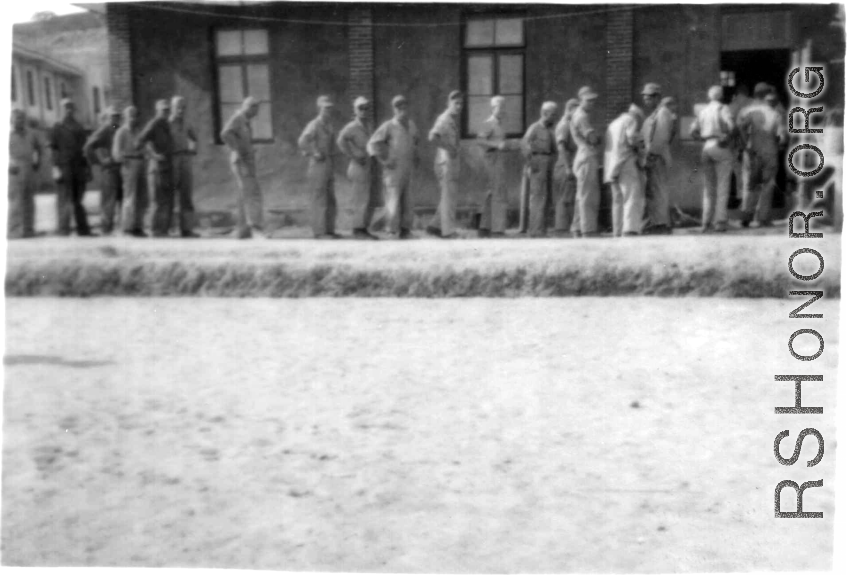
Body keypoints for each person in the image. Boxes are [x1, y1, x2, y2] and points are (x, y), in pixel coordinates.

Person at [367, 95, 419, 239]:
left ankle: (405, 230)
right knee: (393, 200)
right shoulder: (389, 126)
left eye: (404, 107)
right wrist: (383, 161)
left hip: (408, 168)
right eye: (398, 108)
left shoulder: (412, 125)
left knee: (408, 200)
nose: (402, 110)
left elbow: (415, 142)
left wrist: (416, 156)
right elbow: (372, 143)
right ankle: (391, 230)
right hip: (393, 169)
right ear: (394, 109)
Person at [737, 82, 786, 228]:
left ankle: (746, 216)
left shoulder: (745, 111)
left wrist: (746, 144)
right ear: (767, 95)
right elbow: (782, 136)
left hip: (751, 151)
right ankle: (762, 218)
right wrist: (780, 144)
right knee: (767, 184)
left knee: (749, 184)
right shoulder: (775, 113)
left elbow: (739, 127)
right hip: (769, 150)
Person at [690, 85, 735, 233]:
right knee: (723, 184)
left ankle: (706, 221)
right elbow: (732, 126)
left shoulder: (703, 111)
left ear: (709, 97)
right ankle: (720, 221)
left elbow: (693, 131)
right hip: (720, 145)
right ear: (721, 96)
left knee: (708, 188)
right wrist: (726, 137)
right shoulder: (723, 108)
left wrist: (703, 138)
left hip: (706, 146)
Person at [221, 96, 266, 239]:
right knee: (252, 193)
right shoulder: (238, 118)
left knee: (243, 194)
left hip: (245, 161)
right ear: (248, 107)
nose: (257, 113)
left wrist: (248, 149)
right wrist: (237, 150)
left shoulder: (244, 121)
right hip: (242, 162)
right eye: (255, 109)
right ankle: (255, 228)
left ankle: (242, 230)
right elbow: (225, 133)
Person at [337, 96, 380, 240]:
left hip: (368, 165)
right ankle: (358, 229)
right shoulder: (352, 127)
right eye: (360, 108)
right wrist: (353, 155)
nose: (363, 111)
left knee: (367, 198)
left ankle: (363, 228)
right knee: (360, 199)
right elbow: (341, 141)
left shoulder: (368, 126)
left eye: (366, 108)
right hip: (358, 166)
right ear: (355, 110)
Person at [49, 98, 92, 236]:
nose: (68, 110)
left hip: (78, 167)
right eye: (66, 107)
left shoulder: (79, 127)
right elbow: (53, 149)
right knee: (63, 198)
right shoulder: (57, 127)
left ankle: (83, 229)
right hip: (64, 166)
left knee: (78, 199)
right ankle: (63, 229)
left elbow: (84, 150)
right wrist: (55, 167)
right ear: (61, 109)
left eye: (71, 107)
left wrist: (87, 168)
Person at [299, 95, 340, 239]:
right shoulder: (314, 124)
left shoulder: (329, 125)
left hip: (328, 164)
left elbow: (333, 145)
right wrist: (313, 152)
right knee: (319, 198)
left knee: (330, 199)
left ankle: (329, 230)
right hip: (317, 165)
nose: (328, 110)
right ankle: (319, 232)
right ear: (319, 108)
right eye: (325, 108)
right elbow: (302, 141)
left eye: (329, 108)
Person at [476, 95, 517, 238]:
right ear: (493, 108)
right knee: (499, 194)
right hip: (491, 161)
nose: (503, 110)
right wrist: (497, 145)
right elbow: (480, 141)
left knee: (493, 194)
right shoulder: (488, 123)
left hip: (498, 160)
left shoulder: (499, 125)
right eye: (500, 107)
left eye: (504, 107)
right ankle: (498, 230)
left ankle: (484, 227)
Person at [426, 90, 463, 239]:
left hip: (450, 161)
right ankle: (448, 231)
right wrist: (449, 148)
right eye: (456, 103)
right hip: (445, 162)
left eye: (461, 103)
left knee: (448, 195)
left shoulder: (452, 119)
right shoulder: (445, 119)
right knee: (449, 196)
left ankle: (434, 226)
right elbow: (432, 137)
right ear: (449, 103)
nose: (459, 106)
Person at [604, 104, 645, 237]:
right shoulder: (631, 120)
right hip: (626, 162)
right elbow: (632, 138)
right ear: (637, 116)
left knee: (617, 200)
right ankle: (630, 229)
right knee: (631, 195)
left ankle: (617, 230)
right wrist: (641, 149)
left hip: (611, 165)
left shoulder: (613, 124)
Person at [137, 99, 175, 237]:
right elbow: (140, 141)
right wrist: (153, 155)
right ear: (157, 111)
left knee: (166, 199)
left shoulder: (166, 125)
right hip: (156, 168)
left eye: (167, 110)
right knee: (157, 200)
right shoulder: (154, 124)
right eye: (163, 110)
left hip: (167, 167)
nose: (166, 112)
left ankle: (163, 230)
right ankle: (154, 230)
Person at [641, 82, 675, 234]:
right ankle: (657, 222)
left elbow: (660, 138)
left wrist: (651, 154)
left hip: (657, 157)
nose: (646, 100)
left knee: (659, 190)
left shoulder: (663, 113)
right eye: (645, 97)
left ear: (657, 97)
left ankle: (662, 224)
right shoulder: (655, 113)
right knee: (653, 192)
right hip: (652, 157)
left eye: (649, 97)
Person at [520, 101, 558, 238]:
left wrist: (552, 161)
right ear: (544, 113)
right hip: (537, 163)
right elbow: (524, 145)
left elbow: (554, 149)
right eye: (552, 115)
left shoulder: (550, 130)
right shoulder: (535, 128)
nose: (554, 118)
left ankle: (542, 230)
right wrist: (531, 163)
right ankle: (534, 230)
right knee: (537, 198)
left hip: (548, 164)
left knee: (547, 197)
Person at [83, 106, 123, 235]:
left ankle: (122, 228)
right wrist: (99, 162)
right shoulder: (105, 130)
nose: (115, 119)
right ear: (108, 117)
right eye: (113, 116)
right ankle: (106, 228)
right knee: (108, 200)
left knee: (121, 199)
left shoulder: (119, 129)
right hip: (109, 169)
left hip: (121, 168)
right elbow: (88, 147)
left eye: (117, 116)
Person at [570, 86, 602, 237]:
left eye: (593, 101)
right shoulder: (581, 116)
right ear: (580, 100)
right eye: (588, 100)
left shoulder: (579, 114)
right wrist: (599, 137)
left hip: (583, 155)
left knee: (581, 194)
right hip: (586, 155)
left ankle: (577, 227)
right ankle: (588, 229)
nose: (591, 103)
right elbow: (592, 138)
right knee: (588, 195)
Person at [112, 105, 148, 237]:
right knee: (130, 196)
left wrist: (145, 156)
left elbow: (145, 147)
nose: (133, 118)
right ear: (125, 117)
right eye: (130, 116)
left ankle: (138, 226)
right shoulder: (121, 132)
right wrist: (123, 159)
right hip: (128, 164)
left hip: (140, 162)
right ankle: (127, 228)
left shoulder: (139, 131)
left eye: (135, 115)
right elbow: (116, 152)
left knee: (141, 196)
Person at [8, 109, 42, 239]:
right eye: (17, 118)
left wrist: (36, 163)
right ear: (11, 120)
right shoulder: (7, 134)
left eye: (22, 118)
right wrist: (9, 163)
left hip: (28, 167)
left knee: (29, 200)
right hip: (14, 169)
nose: (19, 121)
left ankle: (29, 229)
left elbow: (38, 149)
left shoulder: (31, 134)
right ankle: (14, 231)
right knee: (16, 200)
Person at [169, 95, 199, 237]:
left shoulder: (187, 123)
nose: (180, 110)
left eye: (183, 107)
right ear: (172, 108)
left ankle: (186, 229)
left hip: (185, 159)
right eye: (177, 107)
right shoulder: (167, 123)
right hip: (172, 159)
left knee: (186, 195)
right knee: (169, 195)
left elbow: (194, 137)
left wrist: (193, 148)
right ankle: (167, 228)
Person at [553, 98, 580, 236]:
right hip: (564, 165)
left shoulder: (569, 124)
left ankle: (564, 228)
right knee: (565, 199)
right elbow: (561, 147)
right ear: (569, 109)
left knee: (568, 197)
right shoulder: (564, 125)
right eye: (575, 110)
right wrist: (568, 167)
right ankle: (561, 230)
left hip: (568, 164)